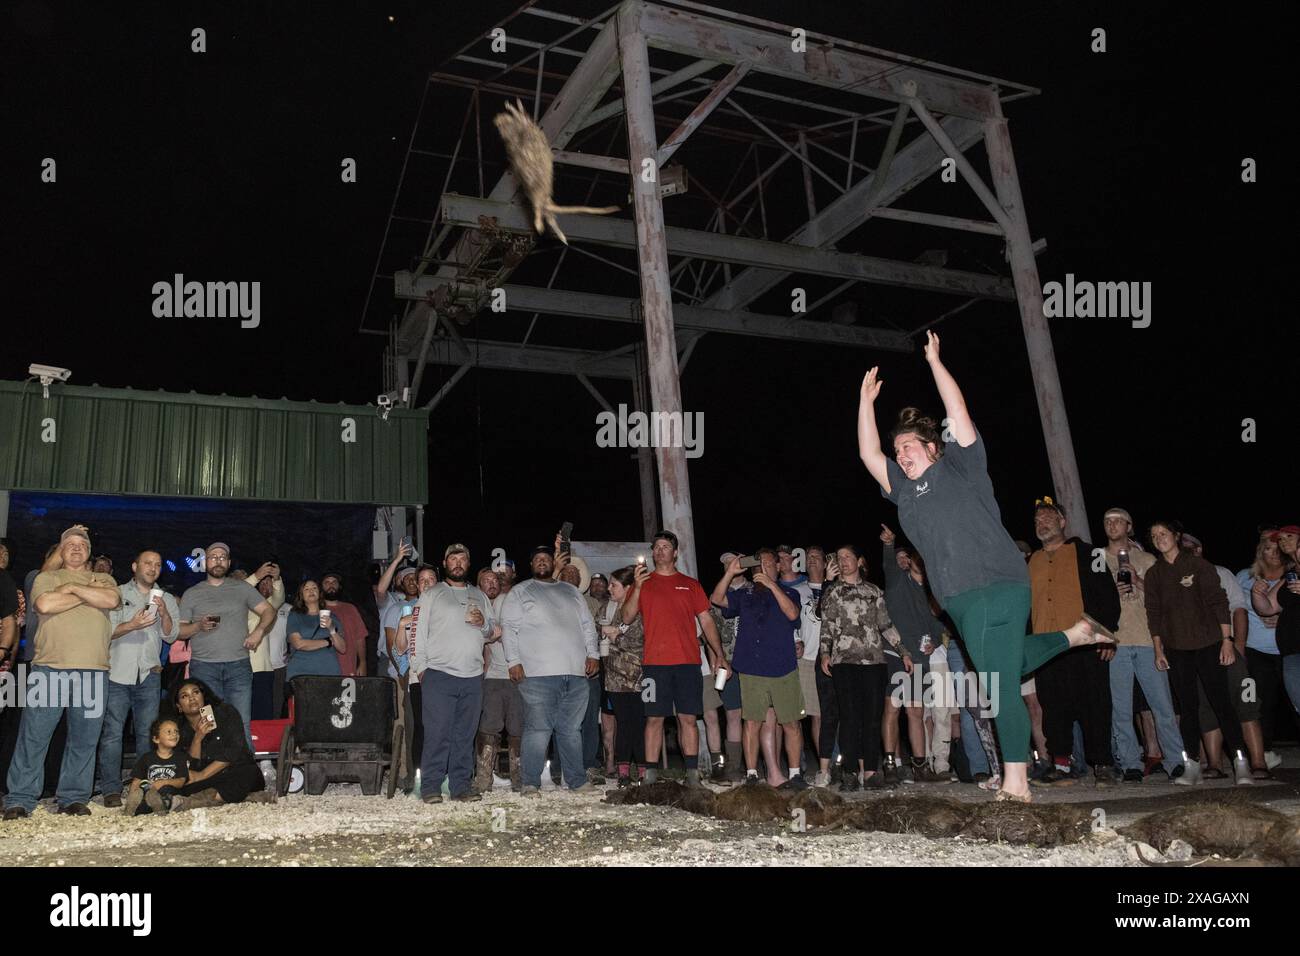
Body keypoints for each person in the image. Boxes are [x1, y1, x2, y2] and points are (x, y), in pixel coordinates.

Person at [856, 332, 1111, 802]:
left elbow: (958, 414)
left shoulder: (962, 466)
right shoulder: (903, 491)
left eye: (911, 446)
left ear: (933, 447)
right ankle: (1074, 636)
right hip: (956, 599)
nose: (902, 454)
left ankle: (1016, 782)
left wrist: (935, 362)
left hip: (999, 580)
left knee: (996, 685)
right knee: (1003, 668)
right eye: (900, 451)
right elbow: (869, 455)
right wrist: (864, 403)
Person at [3, 525, 120, 820]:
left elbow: (111, 600)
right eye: (70, 544)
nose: (77, 547)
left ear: (89, 552)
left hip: (93, 672)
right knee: (34, 737)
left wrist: (71, 590)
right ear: (60, 550)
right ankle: (20, 798)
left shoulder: (105, 578)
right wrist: (87, 594)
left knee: (84, 739)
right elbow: (44, 603)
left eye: (82, 544)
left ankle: (74, 797)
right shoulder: (46, 577)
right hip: (49, 669)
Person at [1144, 520, 1251, 785]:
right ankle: (1191, 764)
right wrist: (1159, 649)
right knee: (1187, 707)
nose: (1160, 539)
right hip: (1176, 648)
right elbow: (1154, 614)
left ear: (1176, 536)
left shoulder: (1198, 565)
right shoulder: (1154, 573)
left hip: (1208, 643)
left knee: (1221, 702)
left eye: (1164, 533)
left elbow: (1219, 602)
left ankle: (1241, 762)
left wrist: (1227, 640)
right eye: (1155, 536)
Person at [620, 530, 727, 788]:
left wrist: (720, 655)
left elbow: (706, 620)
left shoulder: (691, 585)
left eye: (666, 546)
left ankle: (692, 775)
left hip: (688, 664)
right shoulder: (643, 584)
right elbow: (626, 617)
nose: (660, 550)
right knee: (654, 718)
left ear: (675, 552)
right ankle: (651, 777)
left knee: (688, 718)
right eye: (656, 547)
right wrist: (637, 587)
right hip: (654, 665)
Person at [1026, 498, 1121, 788]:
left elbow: (1108, 597)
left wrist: (1106, 636)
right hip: (1047, 647)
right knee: (1053, 707)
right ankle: (1062, 765)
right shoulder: (1031, 561)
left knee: (1095, 704)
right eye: (1038, 520)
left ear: (1063, 522)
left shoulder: (1088, 553)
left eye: (1048, 518)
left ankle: (1103, 764)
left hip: (1085, 642)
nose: (1043, 523)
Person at [500, 544, 600, 796]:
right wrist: (513, 661)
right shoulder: (520, 591)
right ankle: (530, 782)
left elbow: (587, 625)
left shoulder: (571, 591)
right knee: (538, 728)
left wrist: (593, 654)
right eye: (537, 559)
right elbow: (509, 628)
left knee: (571, 729)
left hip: (576, 674)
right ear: (531, 565)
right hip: (537, 674)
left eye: (546, 558)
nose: (542, 562)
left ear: (553, 564)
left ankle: (576, 780)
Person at [1099, 508, 1186, 784]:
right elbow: (1091, 601)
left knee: (1162, 706)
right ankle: (1130, 763)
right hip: (1116, 642)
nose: (1112, 525)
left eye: (1118, 521)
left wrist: (1137, 580)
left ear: (1129, 526)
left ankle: (1175, 761)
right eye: (1107, 522)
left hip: (1148, 641)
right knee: (1120, 709)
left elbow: (1164, 598)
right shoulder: (1096, 559)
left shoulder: (1147, 559)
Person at [819, 544, 912, 790]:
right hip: (844, 662)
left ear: (859, 561)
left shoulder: (874, 591)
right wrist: (824, 654)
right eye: (839, 557)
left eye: (848, 556)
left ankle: (871, 772)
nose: (844, 560)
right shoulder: (833, 592)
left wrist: (903, 650)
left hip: (874, 662)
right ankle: (850, 772)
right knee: (849, 717)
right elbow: (826, 625)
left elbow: (885, 623)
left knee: (872, 717)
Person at [713, 549, 806, 789]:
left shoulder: (790, 592)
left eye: (767, 564)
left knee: (791, 723)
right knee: (752, 722)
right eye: (758, 565)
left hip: (783, 667)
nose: (762, 569)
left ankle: (795, 774)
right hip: (752, 668)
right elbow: (717, 599)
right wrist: (730, 573)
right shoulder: (745, 595)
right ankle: (752, 774)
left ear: (776, 566)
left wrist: (772, 585)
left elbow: (793, 614)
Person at [412, 544, 496, 804]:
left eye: (463, 559)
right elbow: (417, 633)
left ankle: (461, 787)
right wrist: (422, 669)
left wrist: (483, 625)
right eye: (453, 559)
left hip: (472, 677)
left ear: (468, 564)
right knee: (437, 733)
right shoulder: (432, 594)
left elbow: (493, 631)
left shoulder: (479, 595)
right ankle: (430, 787)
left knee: (465, 734)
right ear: (445, 563)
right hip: (438, 674)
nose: (458, 563)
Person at [1182, 534, 1270, 779]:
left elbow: (1238, 609)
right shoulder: (1177, 578)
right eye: (1182, 547)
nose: (1186, 551)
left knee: (1246, 703)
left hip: (1228, 648)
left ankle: (1258, 763)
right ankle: (1215, 764)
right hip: (1199, 654)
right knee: (1206, 707)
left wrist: (1238, 646)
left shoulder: (1221, 572)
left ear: (1199, 549)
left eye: (1190, 547)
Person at [98, 550, 181, 808]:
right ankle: (111, 789)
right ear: (135, 566)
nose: (153, 568)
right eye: (147, 563)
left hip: (150, 674)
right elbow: (105, 632)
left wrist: (165, 613)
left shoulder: (165, 597)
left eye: (157, 564)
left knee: (148, 734)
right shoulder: (118, 593)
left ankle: (142, 786)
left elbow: (171, 635)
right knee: (112, 733)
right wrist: (132, 625)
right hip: (117, 673)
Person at [178, 542, 277, 745]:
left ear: (229, 563)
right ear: (205, 562)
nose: (218, 560)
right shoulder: (192, 593)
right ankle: (213, 775)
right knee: (208, 725)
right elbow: (180, 632)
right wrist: (198, 626)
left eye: (223, 557)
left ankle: (245, 775)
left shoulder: (242, 588)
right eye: (213, 557)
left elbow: (269, 611)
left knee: (241, 724)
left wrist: (258, 632)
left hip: (238, 666)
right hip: (204, 669)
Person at [879, 526, 949, 783]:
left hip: (921, 658)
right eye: (914, 557)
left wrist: (933, 641)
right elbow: (889, 564)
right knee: (894, 707)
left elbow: (937, 622)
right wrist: (889, 544)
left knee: (916, 712)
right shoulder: (898, 581)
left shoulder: (933, 592)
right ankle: (890, 764)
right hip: (896, 653)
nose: (917, 561)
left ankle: (920, 766)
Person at [170, 678, 268, 808]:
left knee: (249, 772)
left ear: (203, 696)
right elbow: (192, 767)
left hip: (235, 771)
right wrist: (197, 738)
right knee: (183, 785)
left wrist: (202, 775)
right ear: (179, 706)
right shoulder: (177, 729)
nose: (192, 698)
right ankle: (232, 798)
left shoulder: (225, 712)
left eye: (196, 692)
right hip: (208, 781)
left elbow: (234, 751)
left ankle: (202, 800)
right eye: (184, 696)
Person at [1238, 532, 1290, 767]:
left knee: (1292, 699)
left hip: (1288, 649)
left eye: (1279, 547)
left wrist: (1283, 618)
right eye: (1269, 548)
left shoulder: (1294, 575)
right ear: (1261, 551)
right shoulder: (1244, 578)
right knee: (1259, 701)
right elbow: (1234, 611)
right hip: (1255, 649)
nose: (1275, 552)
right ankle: (1264, 751)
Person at [476, 567, 521, 791]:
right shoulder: (478, 604)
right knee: (489, 727)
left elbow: (505, 632)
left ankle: (519, 777)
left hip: (516, 674)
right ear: (479, 586)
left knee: (518, 727)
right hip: (492, 676)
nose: (492, 584)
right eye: (486, 581)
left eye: (494, 580)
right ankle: (484, 777)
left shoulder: (507, 600)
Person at [1251, 525, 1300, 721]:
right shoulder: (1289, 574)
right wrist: (1257, 594)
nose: (1284, 541)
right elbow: (1267, 608)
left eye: (1289, 536)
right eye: (1280, 539)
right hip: (1291, 651)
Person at [603, 567, 647, 787]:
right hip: (614, 678)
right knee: (623, 722)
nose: (608, 588)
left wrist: (615, 635)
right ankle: (622, 773)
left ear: (628, 588)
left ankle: (642, 772)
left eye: (614, 585)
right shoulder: (607, 608)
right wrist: (608, 633)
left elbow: (639, 639)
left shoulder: (641, 607)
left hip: (640, 676)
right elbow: (596, 631)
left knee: (640, 723)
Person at [123, 717, 188, 815]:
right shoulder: (146, 758)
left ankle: (161, 805)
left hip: (169, 793)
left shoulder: (180, 758)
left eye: (176, 731)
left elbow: (181, 782)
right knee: (143, 793)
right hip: (150, 792)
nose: (174, 734)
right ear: (156, 739)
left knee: (167, 790)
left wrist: (163, 782)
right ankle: (136, 807)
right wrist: (132, 796)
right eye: (169, 732)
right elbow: (137, 780)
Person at [285, 581, 346, 679]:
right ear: (301, 595)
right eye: (306, 589)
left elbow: (342, 648)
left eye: (314, 588)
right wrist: (328, 642)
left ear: (319, 593)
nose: (311, 591)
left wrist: (332, 629)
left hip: (329, 673)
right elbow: (298, 644)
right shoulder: (295, 616)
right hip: (301, 674)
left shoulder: (332, 617)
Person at [249, 570, 286, 719]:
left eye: (268, 583)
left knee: (262, 711)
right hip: (235, 665)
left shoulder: (269, 605)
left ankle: (264, 742)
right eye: (262, 583)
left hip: (260, 667)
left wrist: (276, 578)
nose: (265, 587)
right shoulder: (241, 603)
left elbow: (279, 597)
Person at [321, 573, 368, 678]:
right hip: (322, 670)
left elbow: (360, 637)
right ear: (321, 587)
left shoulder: (350, 609)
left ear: (339, 586)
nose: (331, 585)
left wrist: (363, 662)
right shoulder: (315, 610)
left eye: (334, 582)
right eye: (327, 582)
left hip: (348, 668)